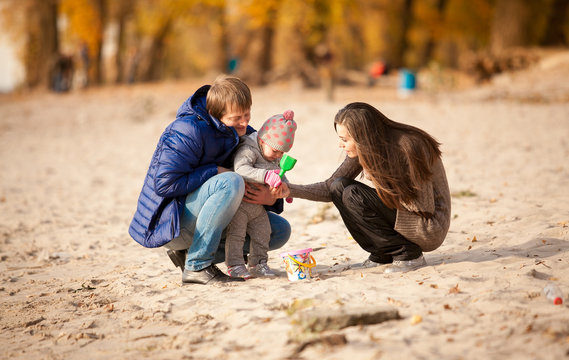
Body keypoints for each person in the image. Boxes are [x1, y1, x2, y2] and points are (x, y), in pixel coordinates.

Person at [128, 75, 291, 285]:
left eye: (247, 114)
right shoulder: (186, 131)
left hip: (209, 216)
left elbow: (261, 169)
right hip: (172, 222)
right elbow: (165, 184)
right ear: (216, 113)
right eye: (236, 118)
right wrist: (215, 170)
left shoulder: (241, 133)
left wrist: (271, 197)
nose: (244, 123)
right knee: (231, 181)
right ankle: (198, 265)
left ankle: (187, 254)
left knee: (279, 231)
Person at [288, 102, 450, 273]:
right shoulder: (367, 147)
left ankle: (408, 255)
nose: (340, 145)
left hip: (429, 227)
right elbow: (330, 187)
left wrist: (377, 174)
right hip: (404, 217)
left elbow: (423, 208)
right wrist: (289, 189)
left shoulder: (410, 146)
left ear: (362, 136)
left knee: (353, 194)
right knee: (339, 187)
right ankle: (381, 255)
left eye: (344, 140)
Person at [225, 110, 297, 279]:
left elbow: (280, 172)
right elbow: (240, 169)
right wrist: (265, 176)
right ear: (263, 140)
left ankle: (258, 263)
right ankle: (235, 265)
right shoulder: (248, 149)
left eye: (282, 153)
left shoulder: (274, 155)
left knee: (263, 233)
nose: (278, 156)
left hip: (258, 207)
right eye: (275, 151)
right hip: (240, 205)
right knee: (236, 234)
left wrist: (286, 189)